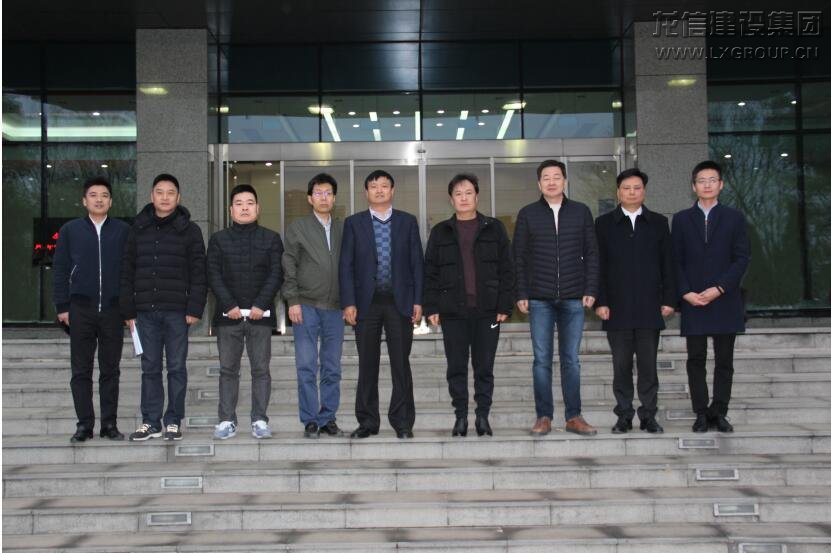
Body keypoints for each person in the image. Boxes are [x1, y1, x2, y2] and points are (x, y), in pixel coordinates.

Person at [513, 159, 599, 437]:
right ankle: (544, 416)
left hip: (574, 298)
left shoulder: (581, 212)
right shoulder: (528, 214)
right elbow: (519, 257)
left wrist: (591, 289)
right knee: (541, 360)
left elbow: (592, 253)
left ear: (565, 181)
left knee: (571, 359)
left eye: (557, 177)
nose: (551, 182)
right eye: (546, 178)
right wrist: (521, 292)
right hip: (539, 298)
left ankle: (574, 416)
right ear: (539, 184)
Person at [423, 173, 514, 437]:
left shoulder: (494, 228)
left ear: (477, 196)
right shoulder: (441, 231)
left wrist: (504, 305)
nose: (463, 198)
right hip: (453, 311)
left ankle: (482, 416)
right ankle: (460, 416)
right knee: (456, 367)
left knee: (484, 367)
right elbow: (430, 273)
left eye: (468, 193)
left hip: (488, 311)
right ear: (451, 200)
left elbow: (507, 269)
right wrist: (432, 307)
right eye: (458, 194)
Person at [121, 173, 207, 441]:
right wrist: (128, 311)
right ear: (152, 196)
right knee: (150, 367)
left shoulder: (190, 230)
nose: (165, 197)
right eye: (160, 192)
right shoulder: (137, 228)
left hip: (177, 311)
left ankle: (173, 421)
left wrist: (194, 308)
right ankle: (150, 421)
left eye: (171, 193)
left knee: (177, 367)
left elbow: (199, 273)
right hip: (145, 311)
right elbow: (126, 271)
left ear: (178, 197)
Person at [339, 169, 423, 439]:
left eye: (384, 186)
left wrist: (418, 300)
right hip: (366, 304)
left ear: (392, 190)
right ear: (366, 192)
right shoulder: (354, 223)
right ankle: (367, 422)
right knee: (367, 364)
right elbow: (346, 266)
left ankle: (403, 422)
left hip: (400, 303)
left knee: (401, 364)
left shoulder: (407, 222)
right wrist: (348, 302)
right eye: (373, 186)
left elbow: (417, 264)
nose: (379, 190)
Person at [594, 168, 676, 434]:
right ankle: (624, 415)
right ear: (618, 192)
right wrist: (600, 301)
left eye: (637, 188)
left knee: (648, 366)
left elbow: (668, 263)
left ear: (644, 191)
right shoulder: (603, 224)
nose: (632, 192)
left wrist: (669, 299)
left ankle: (649, 415)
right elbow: (598, 266)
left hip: (649, 307)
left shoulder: (658, 223)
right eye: (626, 188)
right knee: (621, 366)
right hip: (616, 308)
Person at [672, 160, 750, 433]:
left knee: (724, 361)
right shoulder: (681, 219)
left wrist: (720, 288)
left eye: (712, 180)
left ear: (721, 185)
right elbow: (675, 260)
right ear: (693, 186)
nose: (707, 185)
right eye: (701, 181)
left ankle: (720, 411)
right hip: (693, 299)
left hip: (724, 299)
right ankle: (701, 412)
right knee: (696, 359)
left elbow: (742, 258)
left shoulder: (734, 218)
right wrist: (685, 292)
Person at [53, 177, 130, 443]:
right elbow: (60, 270)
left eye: (104, 195)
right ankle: (84, 425)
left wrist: (127, 308)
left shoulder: (123, 231)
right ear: (84, 200)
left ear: (111, 201)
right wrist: (63, 306)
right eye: (94, 195)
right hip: (80, 309)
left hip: (112, 311)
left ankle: (109, 424)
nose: (99, 199)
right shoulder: (70, 230)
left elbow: (129, 272)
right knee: (81, 371)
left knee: (111, 370)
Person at [208, 184, 283, 440]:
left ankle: (259, 420)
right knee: (228, 370)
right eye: (239, 203)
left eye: (249, 203)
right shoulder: (218, 240)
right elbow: (213, 275)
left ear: (258, 208)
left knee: (260, 369)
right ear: (230, 210)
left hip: (260, 317)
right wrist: (229, 305)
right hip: (227, 317)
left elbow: (276, 274)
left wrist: (261, 304)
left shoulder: (271, 239)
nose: (244, 208)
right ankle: (226, 420)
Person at [282, 173, 344, 439]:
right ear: (310, 199)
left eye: (328, 193)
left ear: (334, 198)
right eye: (318, 193)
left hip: (335, 308)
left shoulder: (343, 228)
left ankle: (328, 417)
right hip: (305, 305)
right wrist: (292, 300)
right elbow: (289, 264)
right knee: (306, 365)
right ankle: (309, 419)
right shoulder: (298, 227)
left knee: (332, 367)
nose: (323, 198)